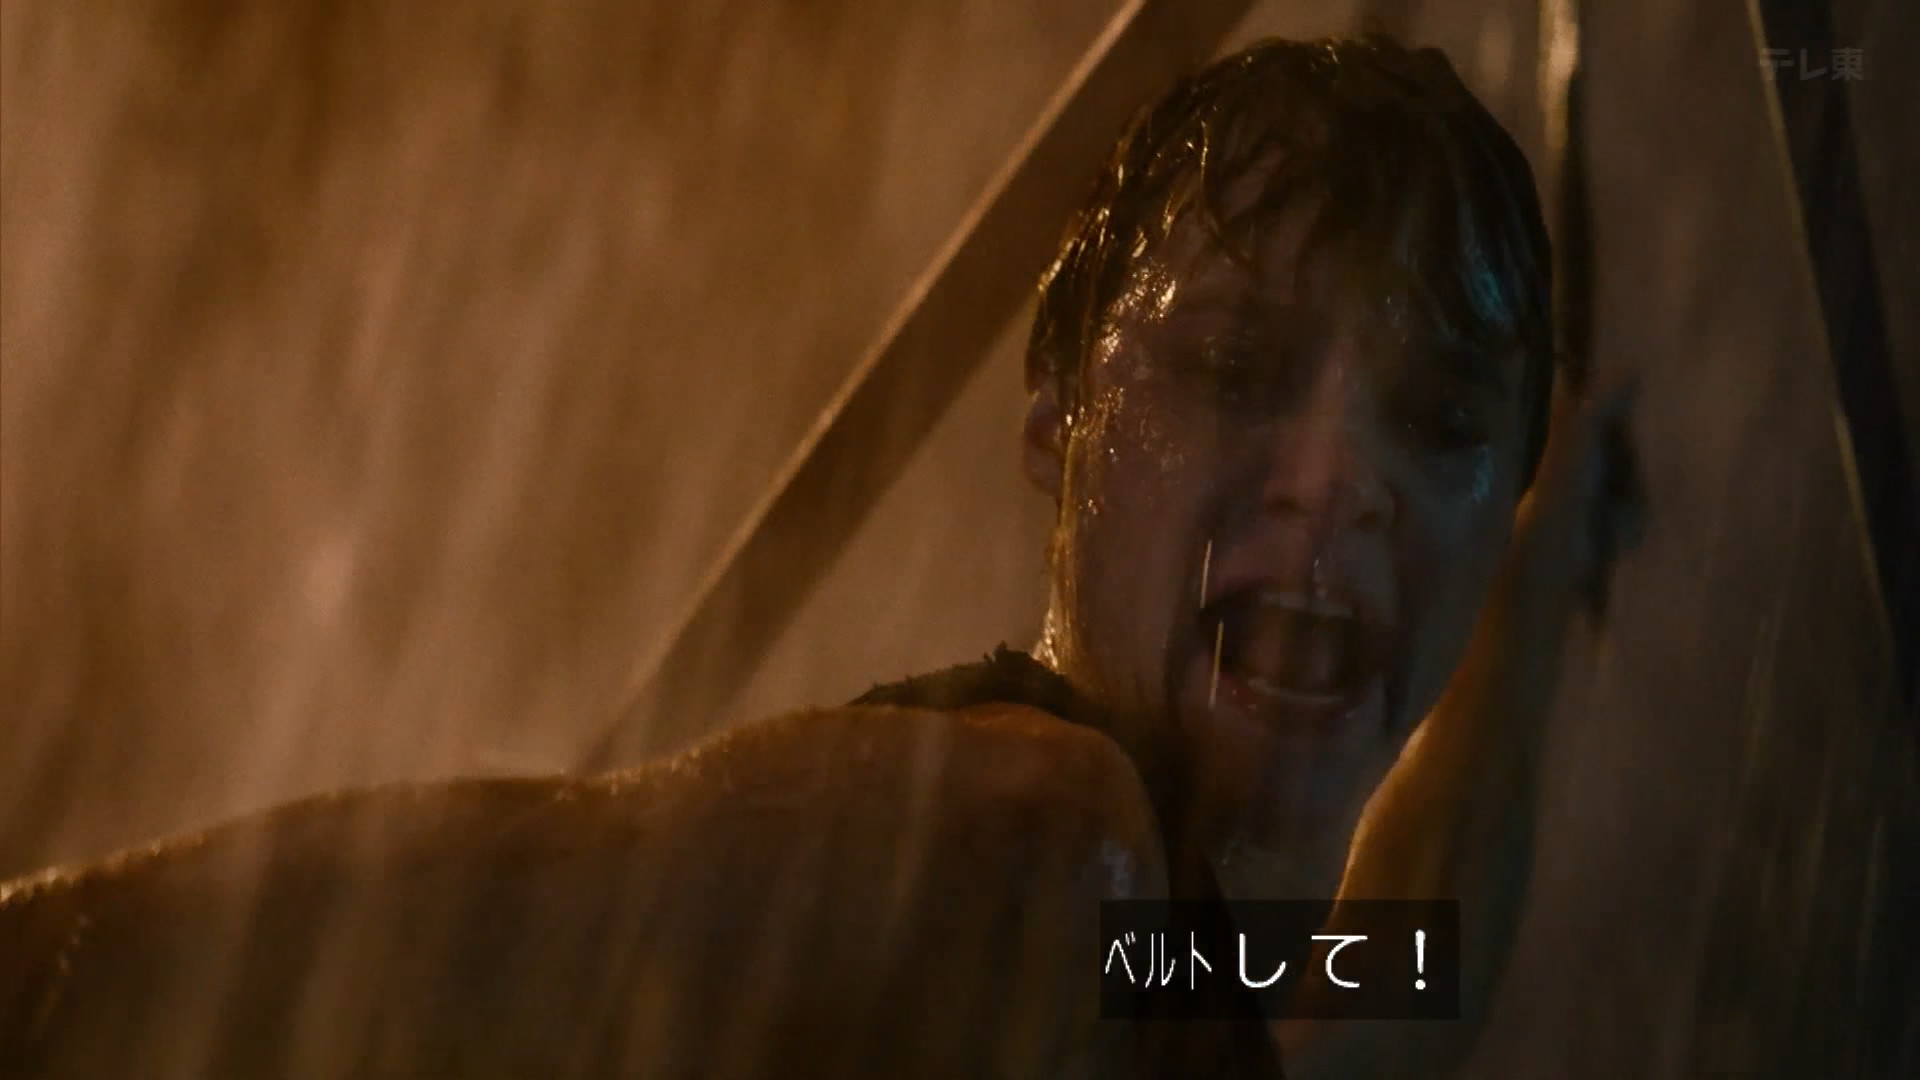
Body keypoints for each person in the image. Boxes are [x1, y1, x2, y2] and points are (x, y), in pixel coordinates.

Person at [0, 35, 1642, 1080]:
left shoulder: (1145, 949)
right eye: (1234, 364)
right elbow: (348, 959)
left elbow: (1397, 985)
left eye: (1439, 421)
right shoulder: (1030, 844)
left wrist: (1548, 533)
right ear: (1055, 415)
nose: (1342, 477)